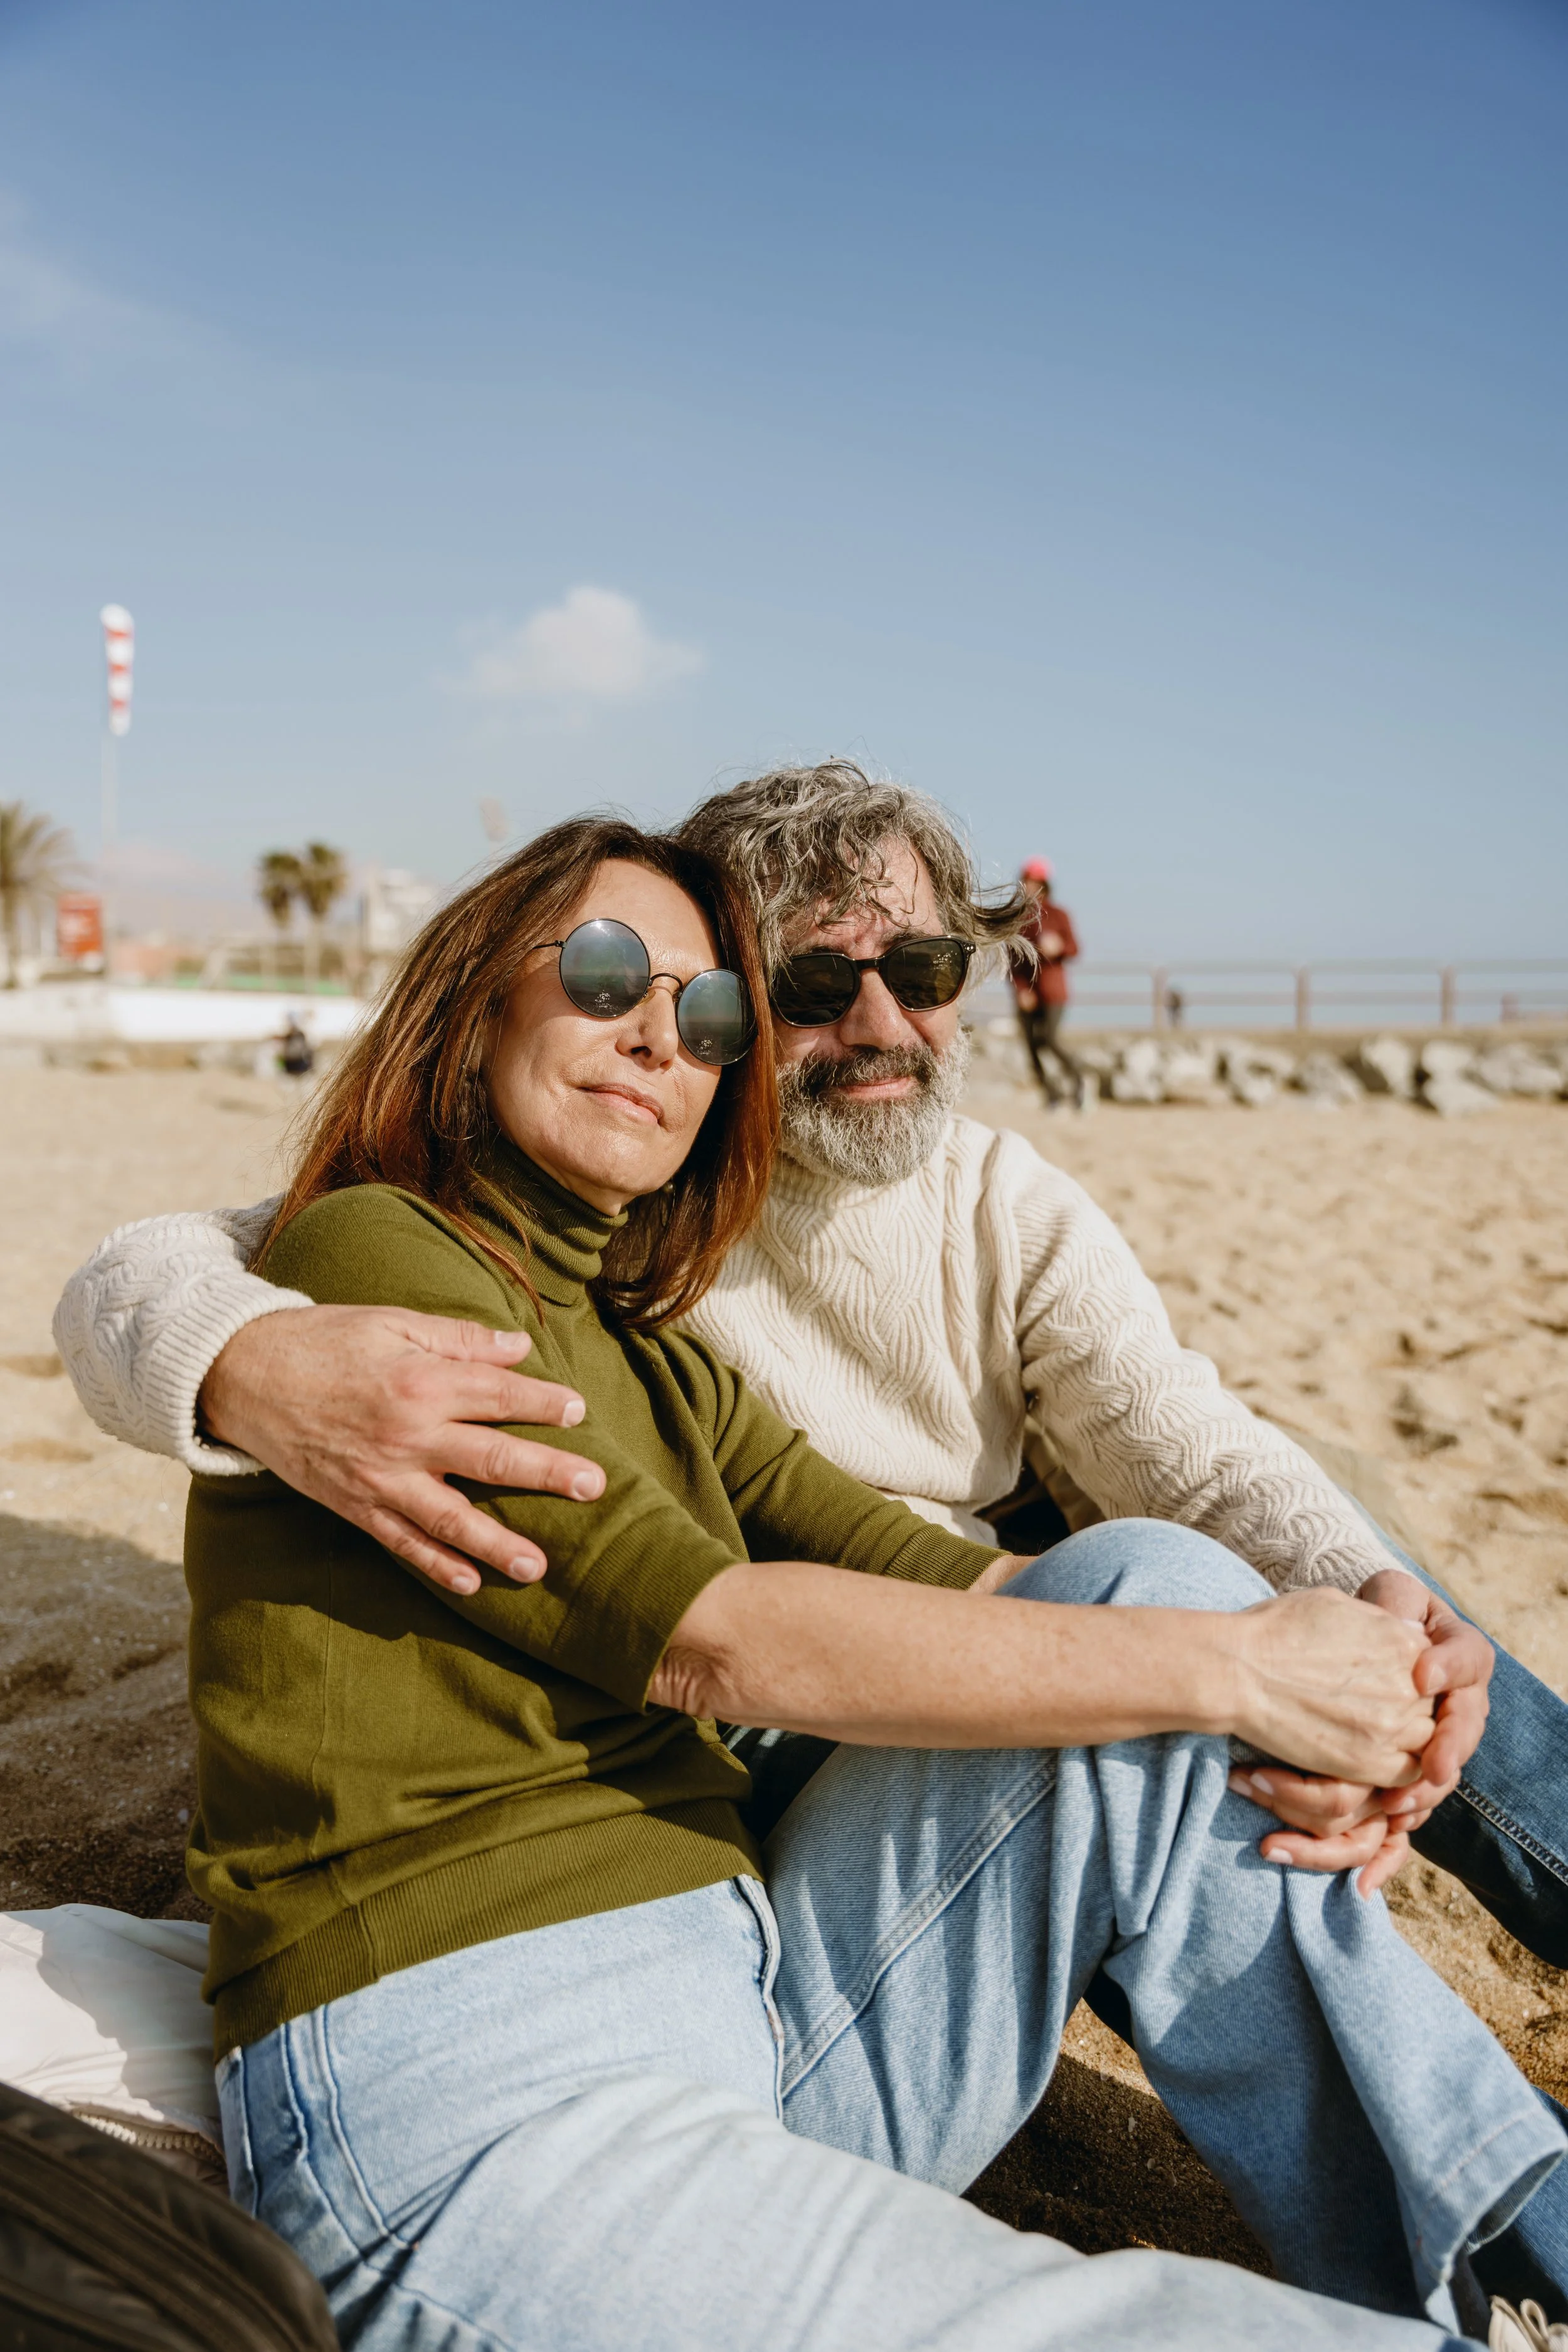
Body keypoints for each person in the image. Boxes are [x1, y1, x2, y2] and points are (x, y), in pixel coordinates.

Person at [169, 812, 1562, 2348]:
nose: (657, 1031)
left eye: (705, 1014)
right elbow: (709, 1638)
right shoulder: (376, 1261)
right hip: (487, 2092)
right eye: (609, 971)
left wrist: (1335, 1639)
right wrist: (1240, 1673)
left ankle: (1517, 2230)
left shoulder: (662, 1347)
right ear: (476, 996)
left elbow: (1030, 1554)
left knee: (1147, 1575)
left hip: (753, 2016)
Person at [54, 764, 1568, 1978]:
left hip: (1008, 1563)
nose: (882, 1023)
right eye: (808, 987)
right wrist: (245, 1354)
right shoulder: (624, 1174)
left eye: (922, 966)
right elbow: (149, 1268)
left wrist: (1389, 1628)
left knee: (1379, 1584)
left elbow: (1184, 1441)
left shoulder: (1004, 1194)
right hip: (804, 1658)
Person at [1011, 856, 1089, 1109]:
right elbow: (1012, 962)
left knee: (1050, 1039)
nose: (1031, 886)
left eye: (1036, 882)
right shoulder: (1017, 918)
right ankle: (1052, 1094)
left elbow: (1075, 949)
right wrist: (1021, 990)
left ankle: (1079, 1081)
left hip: (1054, 992)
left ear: (1045, 884)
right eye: (1027, 881)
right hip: (1028, 993)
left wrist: (1058, 948)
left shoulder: (1058, 915)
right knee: (1032, 1046)